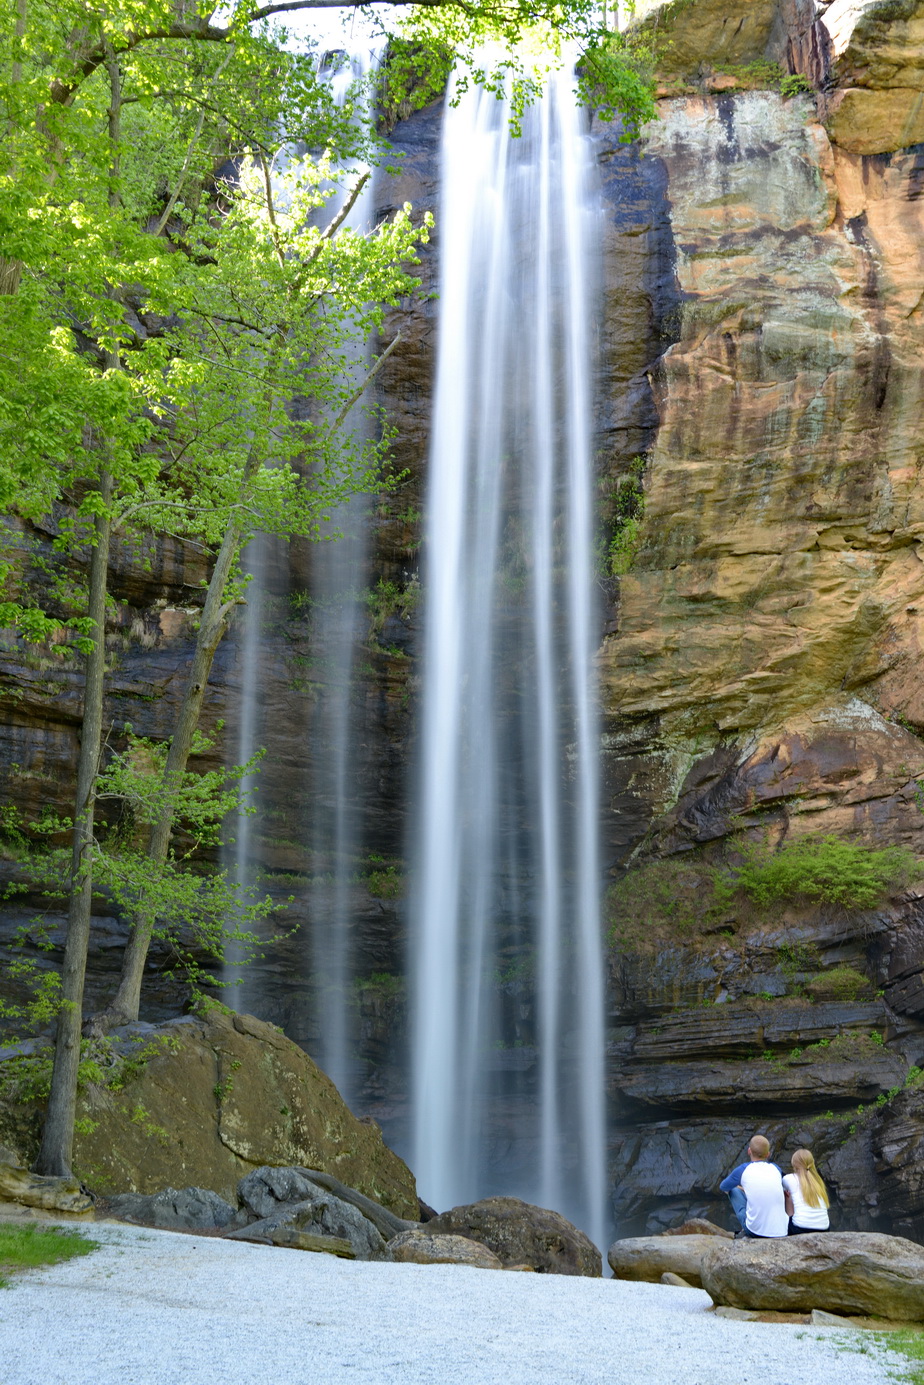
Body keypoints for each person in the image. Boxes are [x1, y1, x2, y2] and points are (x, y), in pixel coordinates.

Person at [720, 1134, 791, 1239]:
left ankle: (746, 1228)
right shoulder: (776, 1168)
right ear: (768, 1154)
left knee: (733, 1190)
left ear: (749, 1151)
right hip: (783, 1231)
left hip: (756, 1232)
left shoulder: (743, 1169)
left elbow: (723, 1187)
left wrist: (741, 1188)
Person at [783, 1148, 830, 1235]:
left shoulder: (789, 1179)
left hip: (800, 1228)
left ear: (794, 1164)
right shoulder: (819, 1182)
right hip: (824, 1228)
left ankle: (789, 1219)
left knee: (787, 1194)